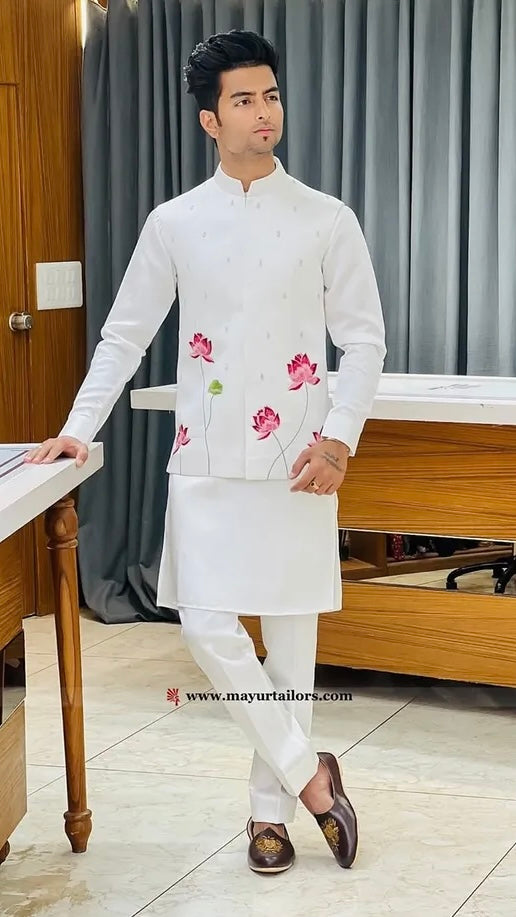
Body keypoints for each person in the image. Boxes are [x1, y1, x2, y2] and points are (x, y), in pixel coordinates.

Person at [24, 30, 386, 874]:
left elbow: (363, 341)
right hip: (204, 461)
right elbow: (124, 335)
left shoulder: (327, 219)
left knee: (291, 649)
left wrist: (340, 436)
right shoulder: (175, 223)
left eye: (271, 96)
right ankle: (313, 777)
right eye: (244, 101)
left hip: (303, 461)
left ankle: (271, 815)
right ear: (208, 120)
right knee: (206, 625)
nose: (265, 114)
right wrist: (82, 424)